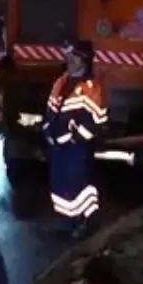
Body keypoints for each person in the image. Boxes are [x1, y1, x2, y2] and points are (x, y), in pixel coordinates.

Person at [44, 40, 108, 236]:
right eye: (69, 56)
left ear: (85, 60)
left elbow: (97, 121)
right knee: (61, 185)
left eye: (75, 57)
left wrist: (75, 138)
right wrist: (48, 132)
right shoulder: (61, 82)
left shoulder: (92, 88)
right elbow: (50, 111)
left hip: (76, 149)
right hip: (58, 147)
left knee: (81, 185)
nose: (70, 60)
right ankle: (67, 222)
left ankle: (85, 222)